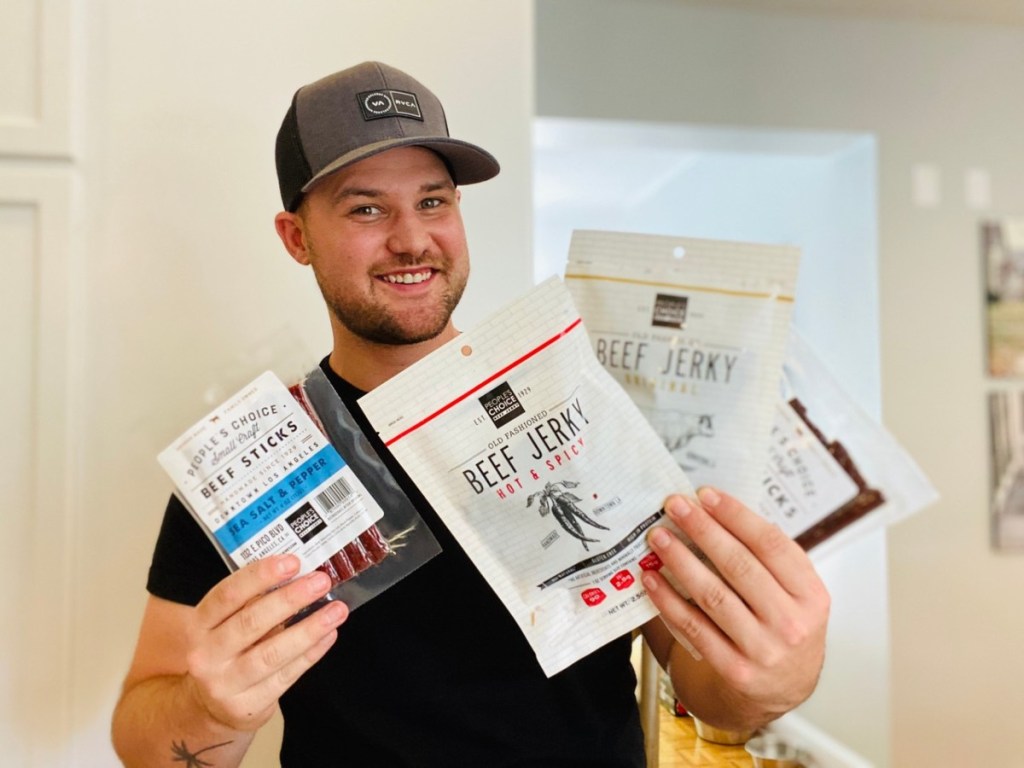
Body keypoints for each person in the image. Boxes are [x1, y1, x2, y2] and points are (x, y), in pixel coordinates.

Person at [111, 61, 829, 768]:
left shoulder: (573, 405)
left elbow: (705, 688)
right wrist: (209, 711)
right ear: (296, 237)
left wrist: (772, 682)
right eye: (366, 208)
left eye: (434, 202)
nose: (412, 240)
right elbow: (146, 741)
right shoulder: (267, 460)